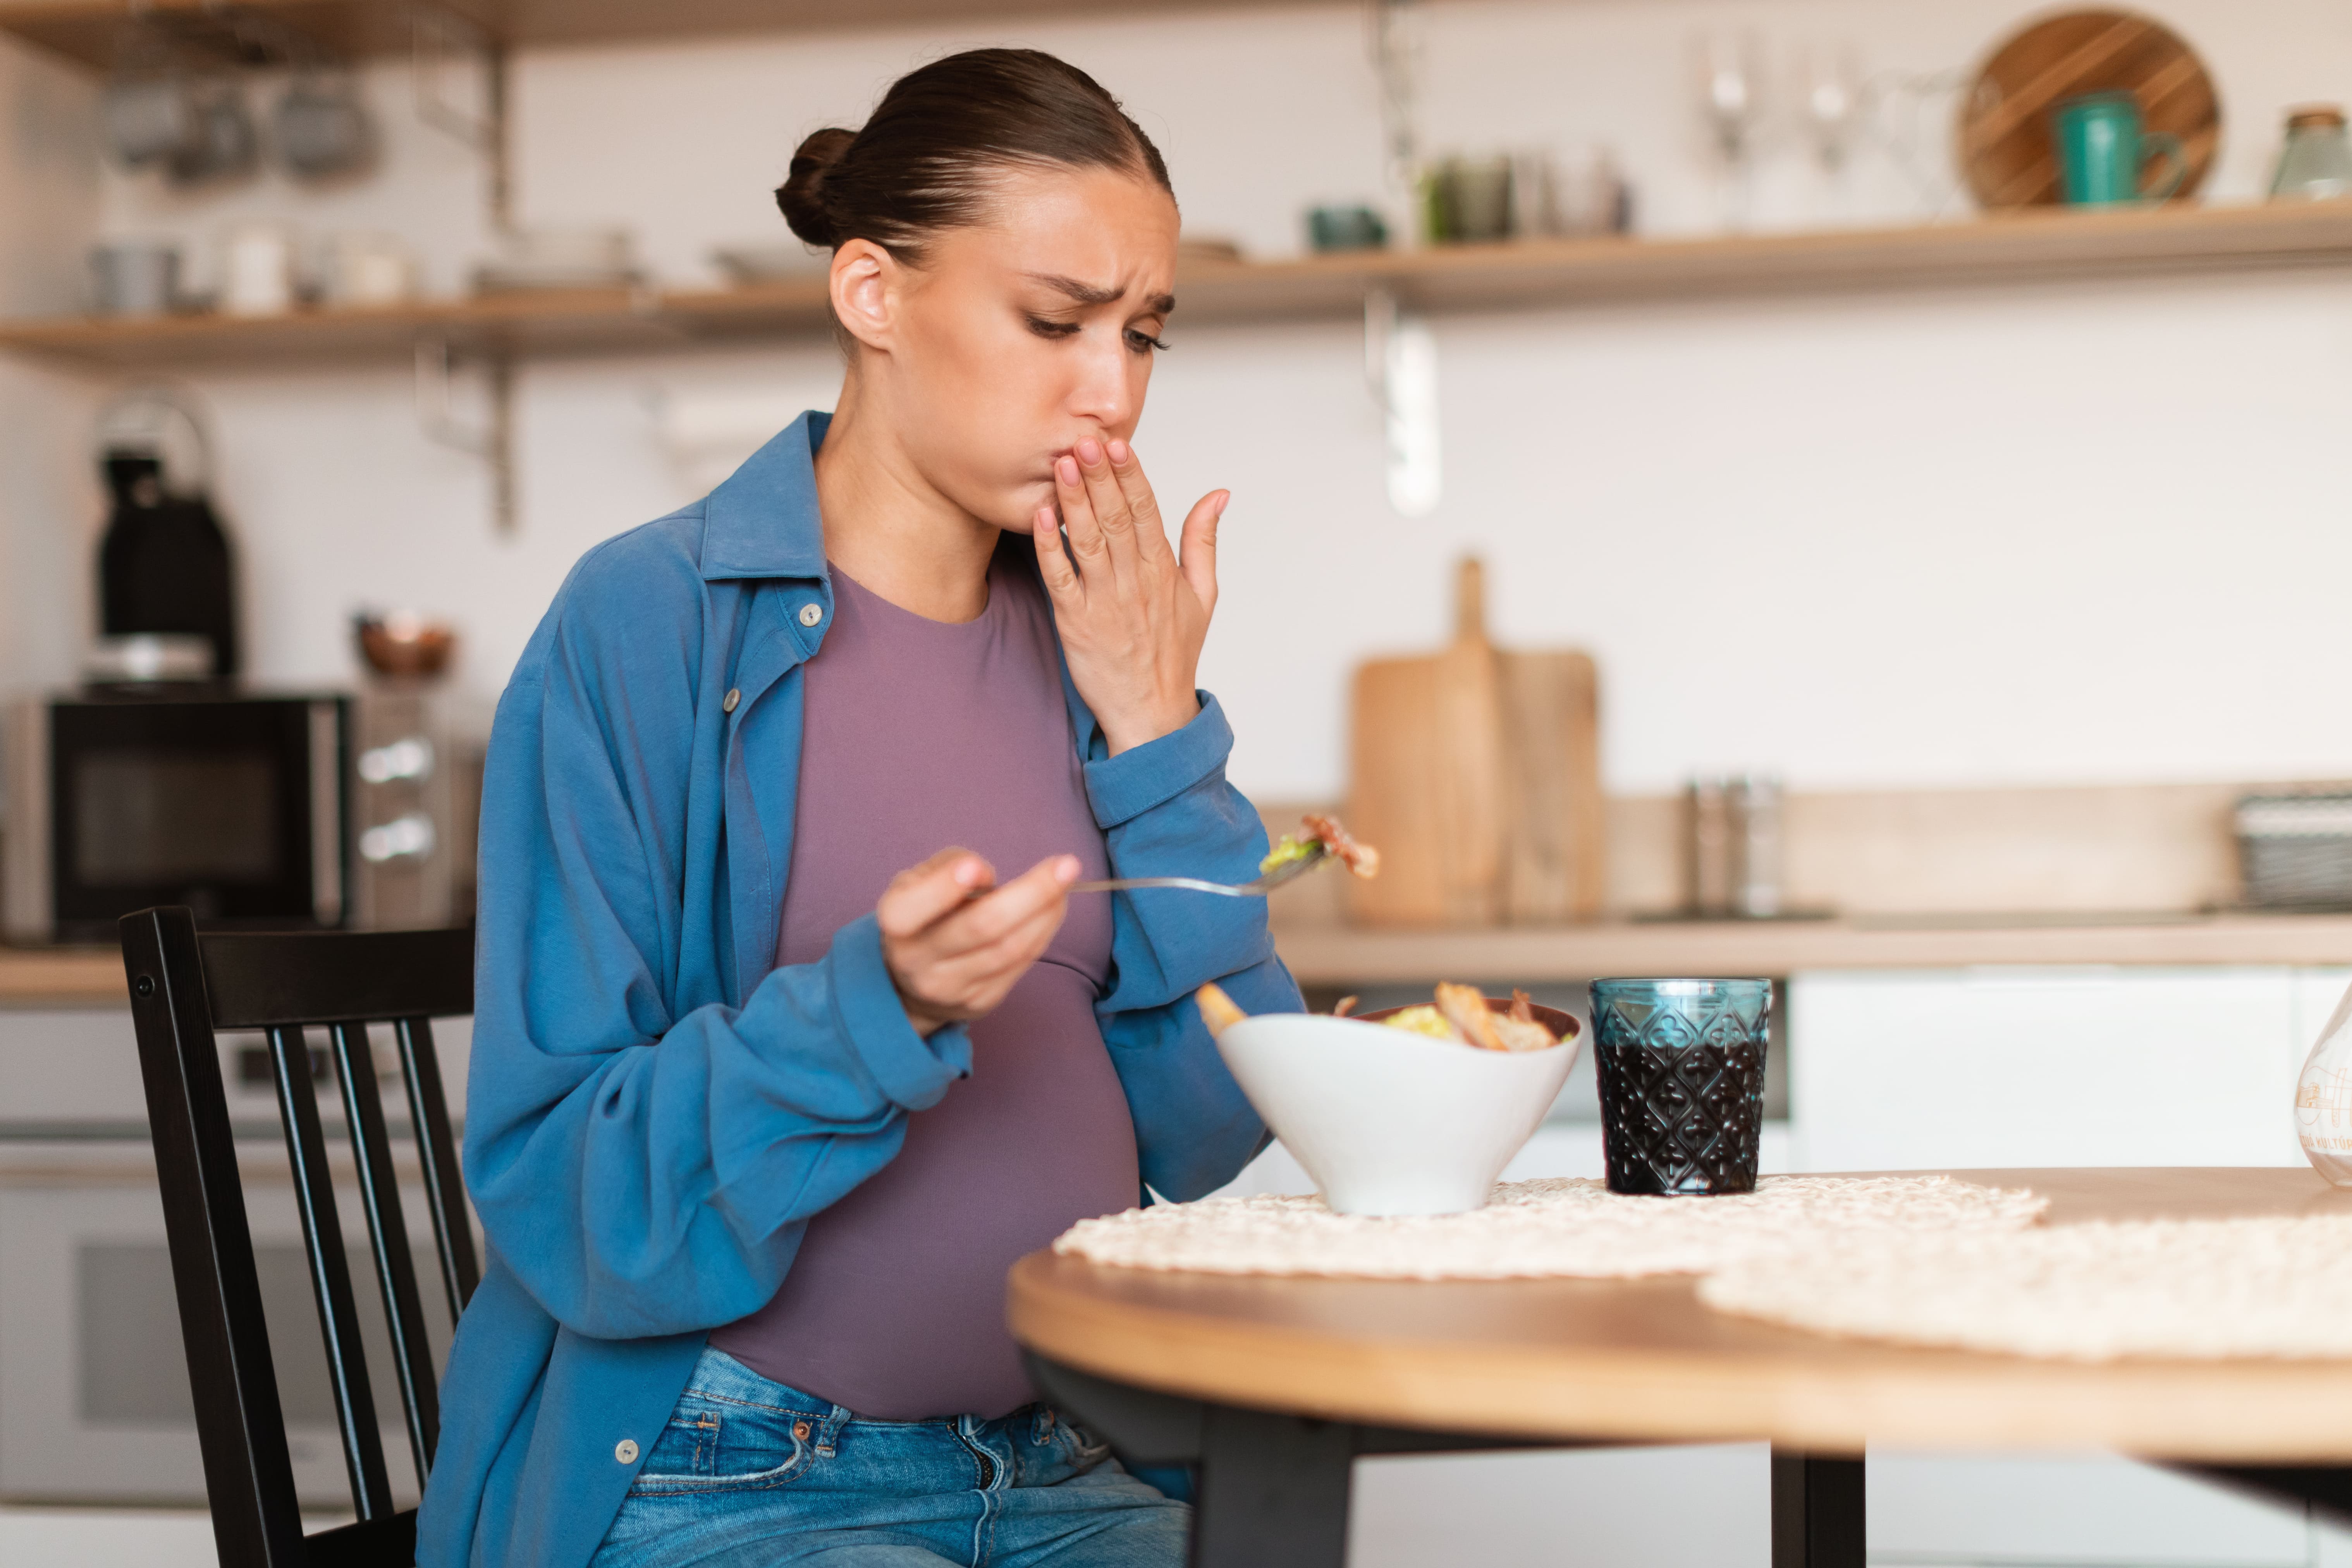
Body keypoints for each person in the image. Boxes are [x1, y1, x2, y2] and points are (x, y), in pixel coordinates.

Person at [415, 46, 1302, 1568]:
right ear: (873, 294)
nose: (1114, 391)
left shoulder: (1096, 638)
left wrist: (1158, 730)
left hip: (1077, 1461)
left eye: (1144, 334)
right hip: (729, 1469)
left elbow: (1218, 1126)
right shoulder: (648, 623)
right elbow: (565, 1193)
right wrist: (867, 1012)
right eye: (1053, 320)